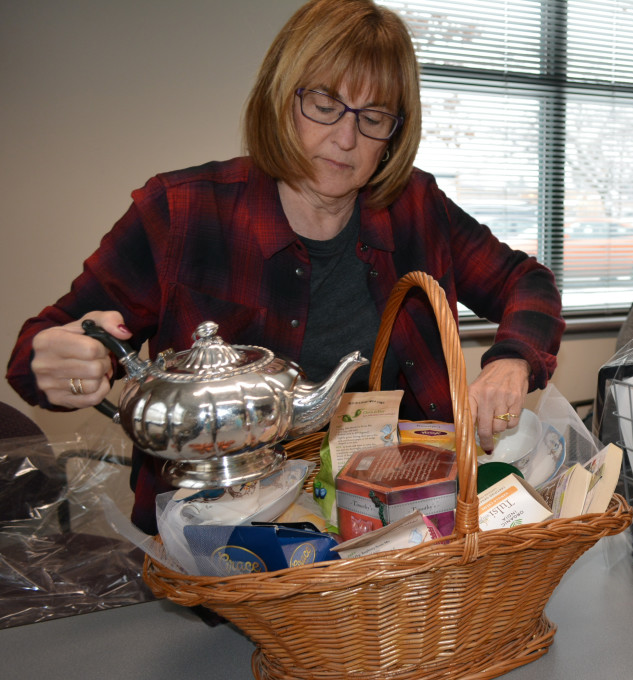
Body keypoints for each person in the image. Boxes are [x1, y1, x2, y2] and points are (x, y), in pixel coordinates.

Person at [5, 0, 564, 536]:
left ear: (394, 134)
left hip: (394, 540)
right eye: (324, 104)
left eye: (373, 118)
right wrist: (65, 363)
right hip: (215, 550)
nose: (345, 139)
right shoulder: (181, 213)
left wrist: (512, 359)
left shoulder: (416, 209)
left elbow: (528, 282)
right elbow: (37, 353)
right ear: (282, 97)